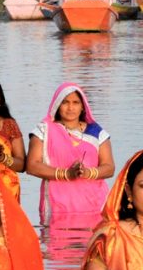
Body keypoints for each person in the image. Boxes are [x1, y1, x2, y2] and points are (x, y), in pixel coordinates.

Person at [26, 83, 113, 224]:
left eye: (76, 103)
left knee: (94, 245)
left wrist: (87, 173)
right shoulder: (44, 130)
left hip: (95, 206)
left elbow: (109, 168)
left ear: (83, 106)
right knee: (57, 244)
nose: (71, 108)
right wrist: (66, 174)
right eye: (65, 102)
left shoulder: (97, 132)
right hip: (57, 207)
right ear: (57, 105)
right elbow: (32, 165)